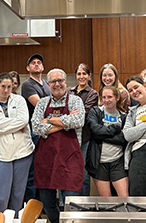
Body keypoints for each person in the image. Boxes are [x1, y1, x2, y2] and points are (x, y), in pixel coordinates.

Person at [31, 68, 85, 223]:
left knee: (71, 202)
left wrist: (48, 120)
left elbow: (78, 121)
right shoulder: (42, 103)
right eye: (53, 81)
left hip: (70, 159)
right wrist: (65, 122)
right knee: (47, 204)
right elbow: (36, 127)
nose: (57, 84)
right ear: (48, 84)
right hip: (46, 160)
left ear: (65, 82)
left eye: (60, 80)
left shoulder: (76, 101)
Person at [0, 73, 34, 216]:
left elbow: (23, 120)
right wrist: (15, 125)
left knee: (18, 195)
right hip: (2, 154)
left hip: (23, 152)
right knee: (1, 196)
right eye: (3, 86)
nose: (6, 90)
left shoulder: (19, 100)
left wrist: (1, 127)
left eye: (9, 87)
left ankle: (15, 219)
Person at [86, 86, 128, 196]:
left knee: (125, 198)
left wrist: (102, 134)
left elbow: (124, 138)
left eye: (109, 97)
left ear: (117, 97)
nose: (106, 100)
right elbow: (95, 131)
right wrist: (116, 129)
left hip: (118, 161)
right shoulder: (95, 112)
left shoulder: (124, 117)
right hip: (99, 163)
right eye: (104, 97)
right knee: (106, 201)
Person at [21, 53, 51, 201]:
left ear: (43, 66)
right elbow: (41, 106)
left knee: (45, 170)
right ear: (28, 68)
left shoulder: (46, 83)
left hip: (48, 131)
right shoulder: (27, 85)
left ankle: (43, 205)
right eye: (33, 63)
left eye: (39, 62)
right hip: (35, 132)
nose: (37, 64)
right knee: (33, 172)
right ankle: (30, 206)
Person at [68, 63, 98, 196]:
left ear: (89, 75)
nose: (81, 76)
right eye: (79, 74)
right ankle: (69, 204)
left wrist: (70, 115)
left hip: (84, 139)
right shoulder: (69, 91)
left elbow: (84, 113)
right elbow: (64, 109)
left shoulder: (92, 93)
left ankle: (84, 205)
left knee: (83, 174)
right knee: (69, 173)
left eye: (84, 74)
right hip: (69, 138)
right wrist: (69, 114)